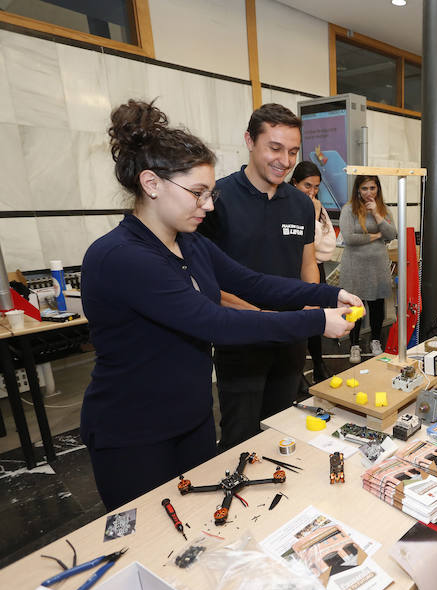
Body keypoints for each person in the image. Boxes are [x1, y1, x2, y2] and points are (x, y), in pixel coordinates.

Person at [81, 100, 360, 510]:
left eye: (209, 194)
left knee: (204, 528)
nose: (209, 205)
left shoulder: (190, 243)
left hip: (191, 418)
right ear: (152, 184)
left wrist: (326, 294)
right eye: (197, 194)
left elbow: (255, 283)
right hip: (134, 432)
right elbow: (215, 323)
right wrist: (317, 322)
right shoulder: (122, 256)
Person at [198, 103, 320, 452]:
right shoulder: (215, 200)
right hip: (240, 342)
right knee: (240, 437)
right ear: (250, 140)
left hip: (290, 341)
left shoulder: (300, 204)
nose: (285, 160)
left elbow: (307, 263)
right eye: (275, 148)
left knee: (282, 429)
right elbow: (208, 282)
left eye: (293, 151)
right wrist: (262, 318)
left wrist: (312, 305)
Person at [339, 175, 397, 362]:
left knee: (377, 306)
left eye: (372, 188)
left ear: (378, 189)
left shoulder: (383, 210)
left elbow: (392, 234)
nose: (369, 192)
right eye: (364, 188)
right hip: (354, 266)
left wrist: (378, 216)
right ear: (358, 190)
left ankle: (375, 341)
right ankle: (354, 344)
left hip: (377, 266)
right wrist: (375, 236)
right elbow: (349, 238)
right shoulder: (349, 210)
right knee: (355, 307)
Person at [291, 160, 338, 382]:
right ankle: (296, 372)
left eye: (316, 186)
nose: (312, 191)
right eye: (307, 185)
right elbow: (309, 242)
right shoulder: (291, 207)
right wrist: (314, 219)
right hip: (291, 271)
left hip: (316, 268)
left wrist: (316, 218)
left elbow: (328, 247)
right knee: (297, 321)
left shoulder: (317, 207)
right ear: (294, 184)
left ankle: (319, 364)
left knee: (315, 318)